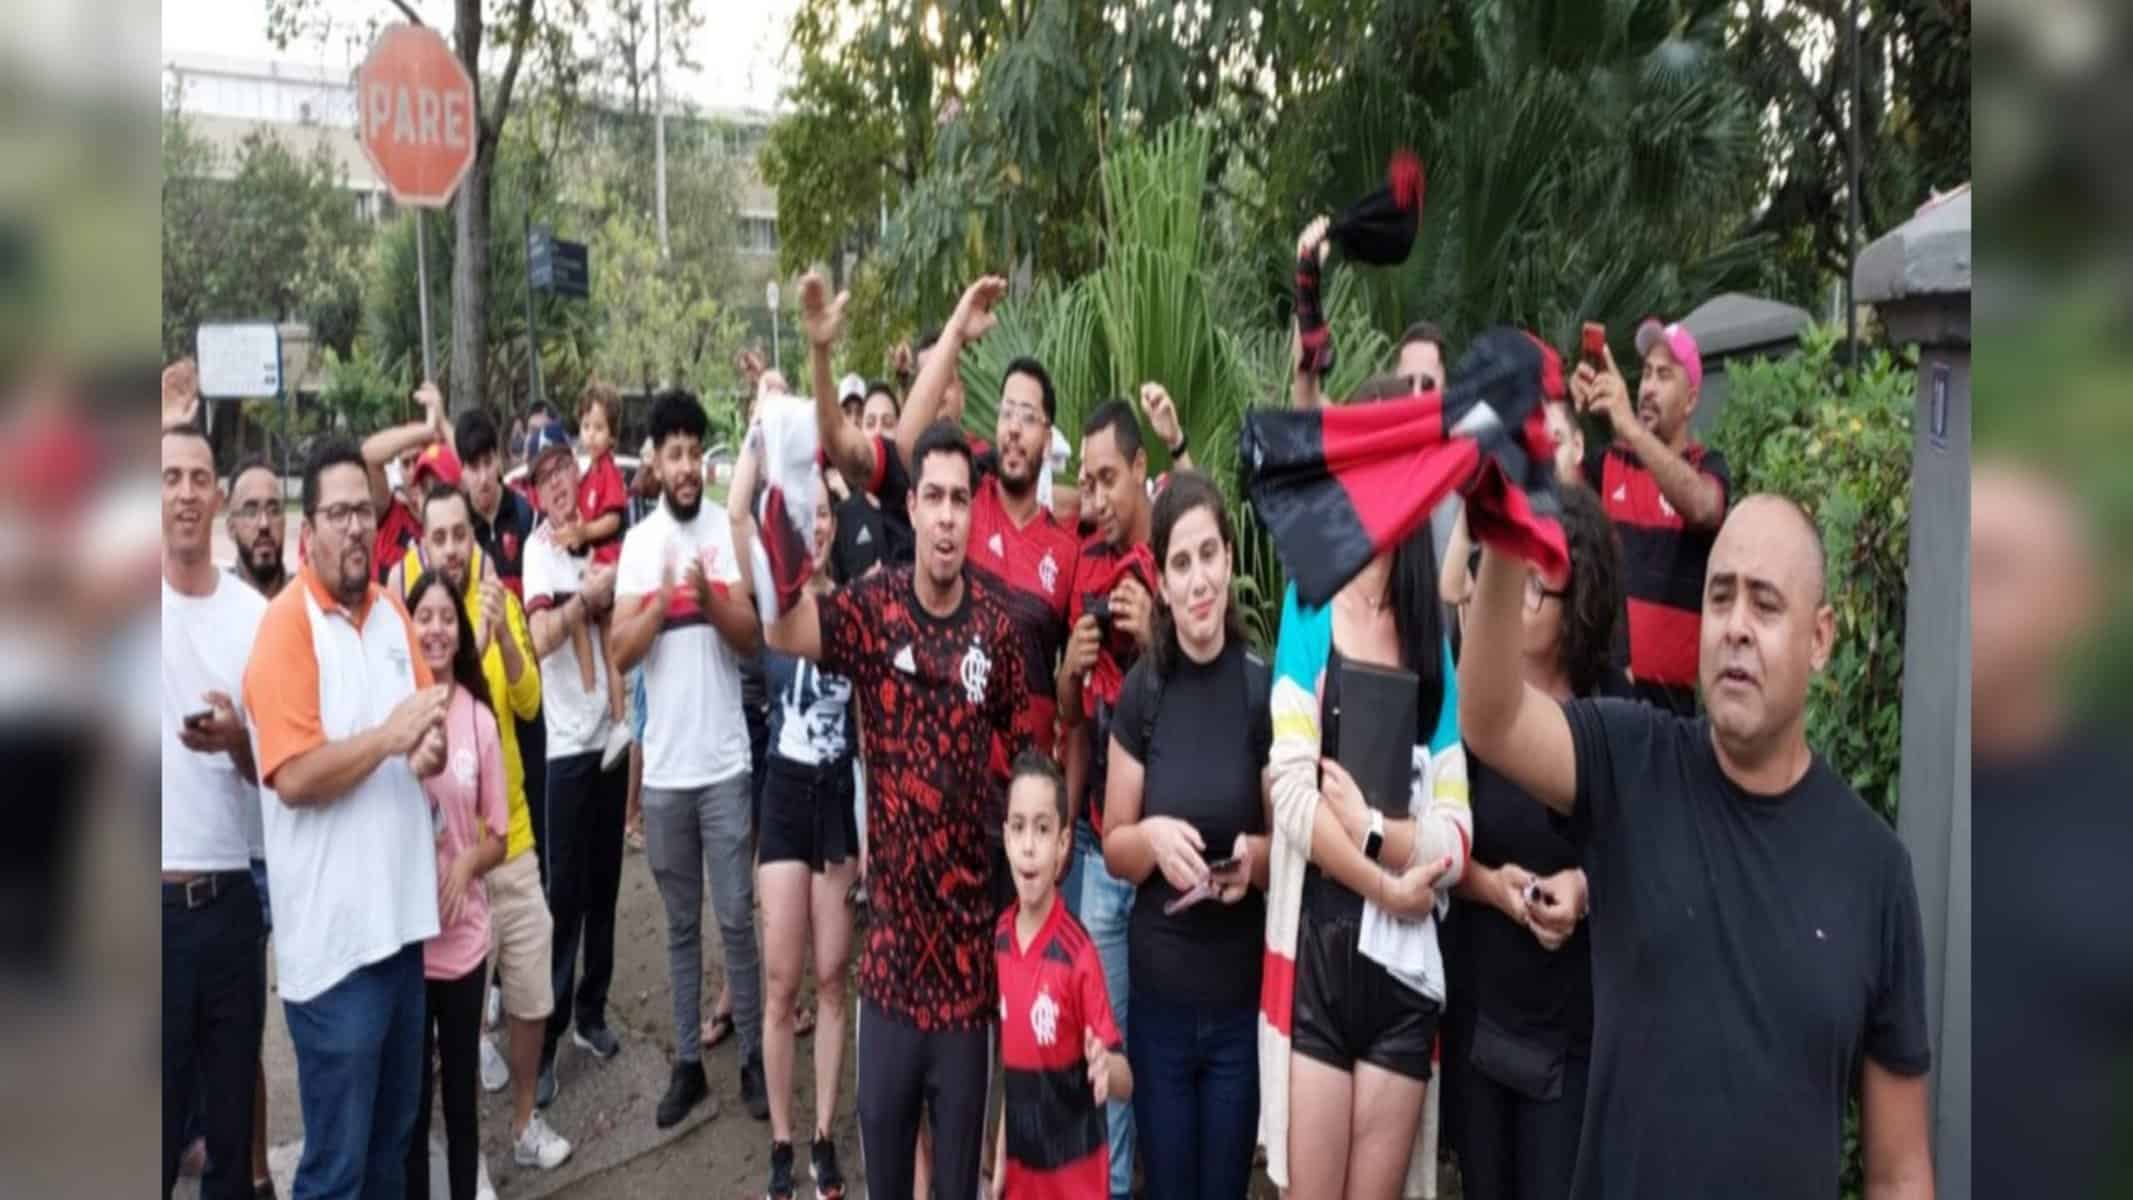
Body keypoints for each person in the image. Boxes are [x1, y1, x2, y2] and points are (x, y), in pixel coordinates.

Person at [1458, 493, 1934, 1197]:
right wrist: (1504, 528)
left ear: (1819, 638)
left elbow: (1899, 1172)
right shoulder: (1630, 765)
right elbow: (1491, 717)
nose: (1735, 627)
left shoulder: (1875, 872)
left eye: (1765, 605)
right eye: (1719, 598)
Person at [762, 422, 1031, 1200]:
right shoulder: (873, 606)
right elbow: (782, 626)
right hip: (887, 975)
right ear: (910, 508)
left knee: (955, 1187)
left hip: (967, 981)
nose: (946, 516)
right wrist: (776, 480)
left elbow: (1028, 766)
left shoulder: (997, 633)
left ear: (973, 510)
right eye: (933, 498)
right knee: (885, 1182)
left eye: (959, 500)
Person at [1260, 424, 1473, 1195]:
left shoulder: (1430, 639)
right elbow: (1291, 794)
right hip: (1319, 952)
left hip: (1403, 975)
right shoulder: (1310, 602)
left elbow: (1456, 836)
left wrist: (1374, 830)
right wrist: (1385, 882)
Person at [241, 437, 450, 1198]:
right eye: (338, 514)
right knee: (336, 1171)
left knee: (392, 1152)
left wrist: (424, 749)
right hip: (335, 962)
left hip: (401, 935)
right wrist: (390, 738)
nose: (357, 526)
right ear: (309, 532)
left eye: (365, 510)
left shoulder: (393, 611)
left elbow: (424, 727)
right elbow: (293, 776)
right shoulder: (285, 627)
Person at [1096, 472, 1273, 1200]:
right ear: (1162, 585)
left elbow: (1287, 847)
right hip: (1161, 1006)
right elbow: (1113, 843)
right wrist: (1151, 837)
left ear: (1228, 560)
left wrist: (1253, 862)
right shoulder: (1144, 690)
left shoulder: (1260, 689)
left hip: (1238, 1006)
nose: (1198, 580)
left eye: (1208, 556)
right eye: (1180, 563)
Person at [391, 484, 573, 1172]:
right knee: (451, 1019)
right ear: (422, 543)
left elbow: (527, 703)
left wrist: (503, 638)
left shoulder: (501, 605)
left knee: (529, 990)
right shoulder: (415, 620)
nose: (449, 547)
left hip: (510, 839)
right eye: (437, 536)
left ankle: (524, 1122)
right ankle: (463, 1157)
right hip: (441, 858)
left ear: (474, 539)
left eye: (459, 535)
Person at [1446, 486, 1620, 1200]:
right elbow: (1434, 846)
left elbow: (1649, 860)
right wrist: (1492, 886)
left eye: (1534, 588)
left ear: (1578, 604)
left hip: (1572, 1033)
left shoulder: (1613, 712)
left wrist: (1584, 889)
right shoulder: (1476, 706)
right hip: (1481, 1013)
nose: (1516, 600)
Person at [611, 389, 770, 1128]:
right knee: (680, 925)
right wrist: (659, 603)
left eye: (693, 454)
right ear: (655, 460)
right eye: (672, 454)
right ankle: (686, 1064)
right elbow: (620, 651)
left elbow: (752, 639)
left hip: (725, 765)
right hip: (668, 775)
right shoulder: (639, 545)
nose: (684, 467)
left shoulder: (723, 535)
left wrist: (708, 598)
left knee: (736, 916)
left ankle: (754, 1059)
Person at [728, 476, 858, 1200]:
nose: (817, 524)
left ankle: (824, 1136)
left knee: (833, 977)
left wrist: (870, 831)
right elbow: (736, 514)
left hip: (836, 798)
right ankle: (782, 1137)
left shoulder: (855, 606)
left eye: (825, 512)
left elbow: (869, 727)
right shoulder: (773, 598)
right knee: (782, 983)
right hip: (782, 794)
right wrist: (755, 442)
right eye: (805, 514)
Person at [1052, 395, 1157, 1200]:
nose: (1094, 498)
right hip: (1095, 840)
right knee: (1104, 1039)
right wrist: (1069, 671)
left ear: (1141, 470)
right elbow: (1072, 715)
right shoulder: (1086, 560)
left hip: (1170, 848)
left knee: (1167, 1044)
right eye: (1086, 482)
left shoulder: (1182, 554)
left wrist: (1156, 639)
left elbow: (1212, 697)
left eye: (1108, 479)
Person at [163, 421, 269, 1200]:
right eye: (169, 478)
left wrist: (237, 741)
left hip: (232, 903)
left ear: (219, 497)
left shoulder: (252, 618)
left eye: (199, 478)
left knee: (229, 1145)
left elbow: (275, 770)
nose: (185, 493)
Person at [520, 428, 632, 1106]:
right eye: (546, 476)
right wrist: (585, 601)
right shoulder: (538, 552)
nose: (559, 482)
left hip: (611, 739)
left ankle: (592, 1011)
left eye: (565, 467)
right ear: (536, 493)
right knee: (562, 897)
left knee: (605, 886)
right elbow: (538, 639)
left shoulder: (595, 538)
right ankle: (549, 1036)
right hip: (566, 747)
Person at [401, 571, 511, 1200]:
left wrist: (468, 864)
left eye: (447, 618)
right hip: (407, 946)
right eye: (424, 617)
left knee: (461, 1103)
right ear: (407, 627)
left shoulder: (478, 720)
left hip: (465, 944)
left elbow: (499, 835)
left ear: (461, 632)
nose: (436, 630)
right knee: (411, 1108)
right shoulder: (393, 712)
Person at [990, 752, 1132, 1200]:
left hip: (1077, 1184)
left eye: (1043, 828)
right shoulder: (999, 940)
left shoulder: (1078, 954)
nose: (1029, 845)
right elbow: (1014, 1069)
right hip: (1022, 1182)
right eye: (1018, 827)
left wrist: (1105, 1067)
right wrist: (1001, 1157)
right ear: (1005, 837)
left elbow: (1125, 1077)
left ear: (1065, 842)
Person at [1571, 319, 1729, 715]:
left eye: (1664, 375)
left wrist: (1630, 428)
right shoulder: (1608, 465)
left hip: (1674, 717)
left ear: (1690, 400)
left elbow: (1704, 507)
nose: (1648, 388)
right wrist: (1566, 417)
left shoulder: (1707, 466)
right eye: (1645, 374)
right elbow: (1552, 498)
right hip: (1605, 706)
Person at [220, 453, 286, 1196]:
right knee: (239, 1032)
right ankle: (258, 1174)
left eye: (273, 507)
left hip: (303, 849)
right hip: (237, 856)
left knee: (323, 1015)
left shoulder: (306, 606)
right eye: (250, 509)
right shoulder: (212, 611)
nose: (264, 522)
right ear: (230, 520)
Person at [556, 383, 632, 768]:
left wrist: (585, 532)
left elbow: (613, 519)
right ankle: (603, 706)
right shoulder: (588, 474)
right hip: (590, 565)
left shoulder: (608, 473)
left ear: (612, 434)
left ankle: (617, 716)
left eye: (599, 427)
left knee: (606, 643)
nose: (591, 435)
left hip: (605, 566)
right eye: (586, 426)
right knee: (591, 635)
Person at [361, 381, 451, 584]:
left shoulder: (450, 513)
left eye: (417, 459)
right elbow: (368, 454)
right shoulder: (389, 513)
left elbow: (468, 469)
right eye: (405, 463)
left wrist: (441, 423)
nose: (412, 471)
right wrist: (427, 429)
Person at [455, 409, 538, 600]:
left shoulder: (527, 514)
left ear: (498, 460)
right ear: (462, 471)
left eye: (488, 463)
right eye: (474, 467)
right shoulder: (458, 526)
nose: (483, 478)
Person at [226, 456, 288, 599]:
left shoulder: (308, 602)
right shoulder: (215, 604)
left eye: (274, 511)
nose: (264, 524)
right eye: (251, 512)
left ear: (285, 522)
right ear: (231, 528)